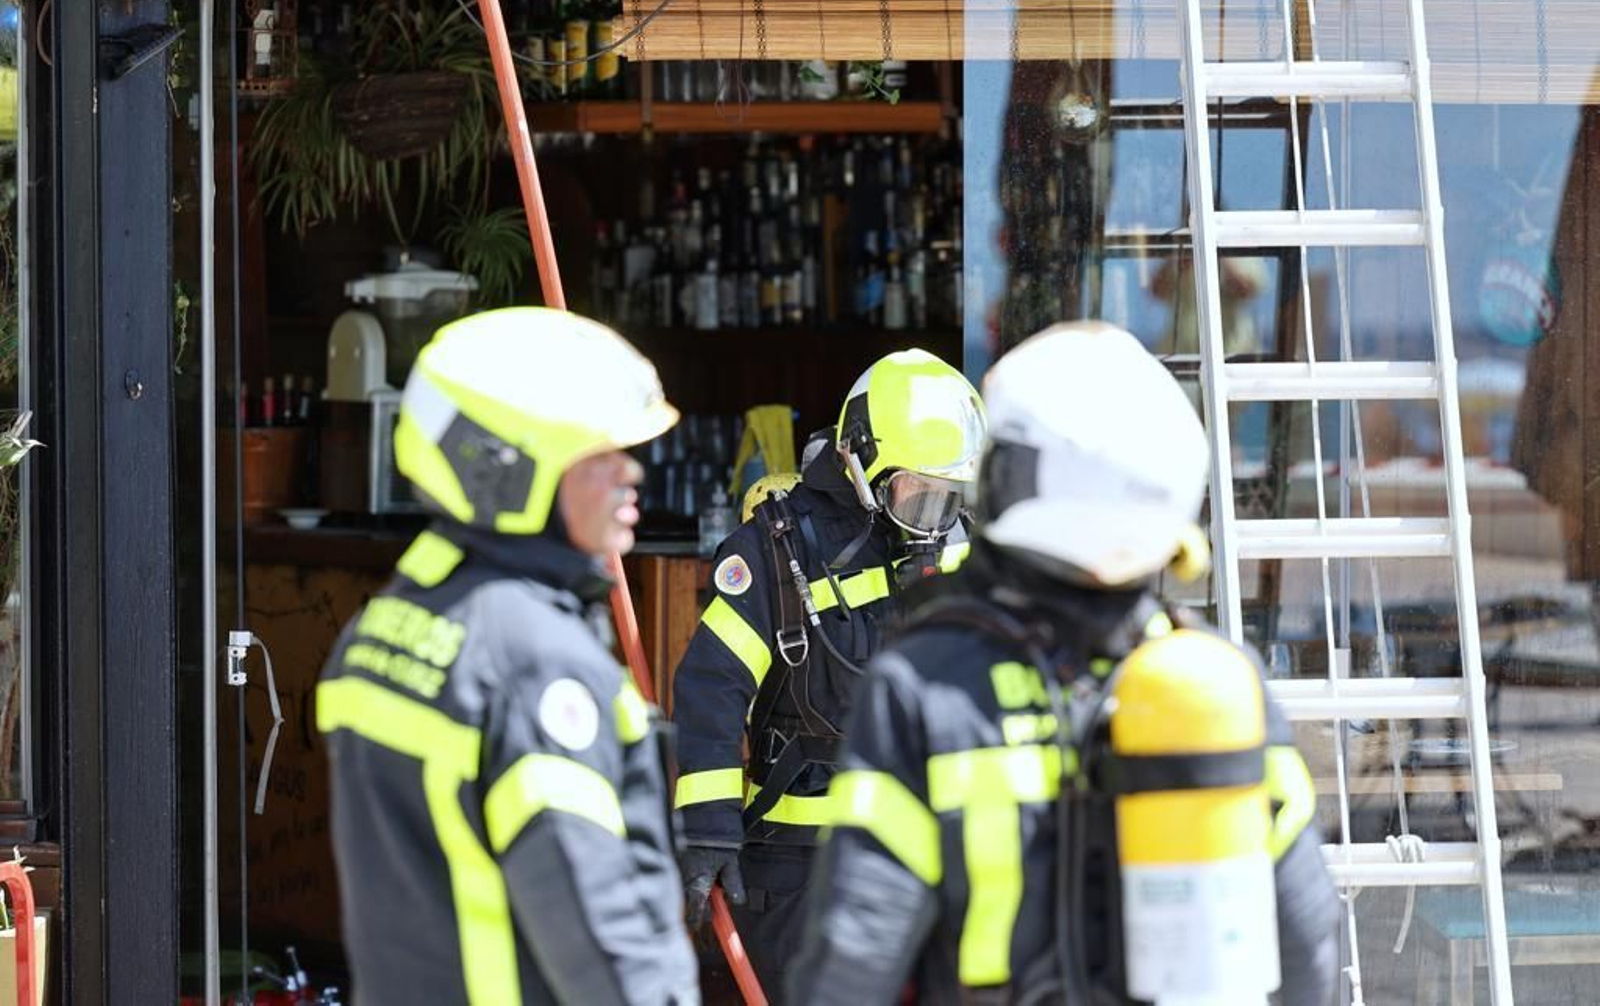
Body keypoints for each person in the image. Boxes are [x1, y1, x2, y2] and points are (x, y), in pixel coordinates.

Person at [791, 321, 1339, 1005]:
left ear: (1010, 481)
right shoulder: (1221, 682)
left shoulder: (925, 686)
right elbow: (1308, 945)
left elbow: (853, 957)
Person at [317, 307, 698, 1005]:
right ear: (509, 470)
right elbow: (599, 938)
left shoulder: (387, 622)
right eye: (596, 455)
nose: (631, 472)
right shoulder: (537, 663)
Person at [672, 348, 987, 997]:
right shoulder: (775, 550)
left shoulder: (959, 547)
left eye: (948, 498)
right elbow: (711, 687)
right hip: (798, 867)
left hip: (932, 854)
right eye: (918, 494)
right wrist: (707, 826)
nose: (933, 520)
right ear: (861, 461)